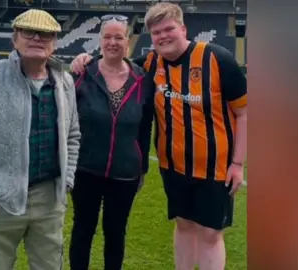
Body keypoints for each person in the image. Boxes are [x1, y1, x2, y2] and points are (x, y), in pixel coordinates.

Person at [70, 3, 247, 270]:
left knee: (211, 234)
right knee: (184, 225)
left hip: (216, 167)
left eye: (168, 29)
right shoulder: (151, 63)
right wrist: (85, 59)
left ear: (183, 28)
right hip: (173, 166)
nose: (163, 36)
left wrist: (237, 164)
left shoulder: (218, 59)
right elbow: (114, 62)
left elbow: (244, 113)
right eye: (156, 32)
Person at [0, 9, 81, 270]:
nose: (37, 38)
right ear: (15, 39)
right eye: (28, 32)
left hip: (48, 200)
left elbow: (73, 135)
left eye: (45, 33)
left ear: (54, 41)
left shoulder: (64, 81)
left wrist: (66, 179)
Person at [69, 14, 154, 270]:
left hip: (125, 172)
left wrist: (142, 168)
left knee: (116, 234)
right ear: (100, 40)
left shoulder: (143, 80)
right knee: (83, 229)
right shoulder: (82, 74)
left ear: (128, 41)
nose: (113, 42)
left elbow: (145, 127)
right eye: (107, 36)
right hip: (85, 168)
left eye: (119, 37)